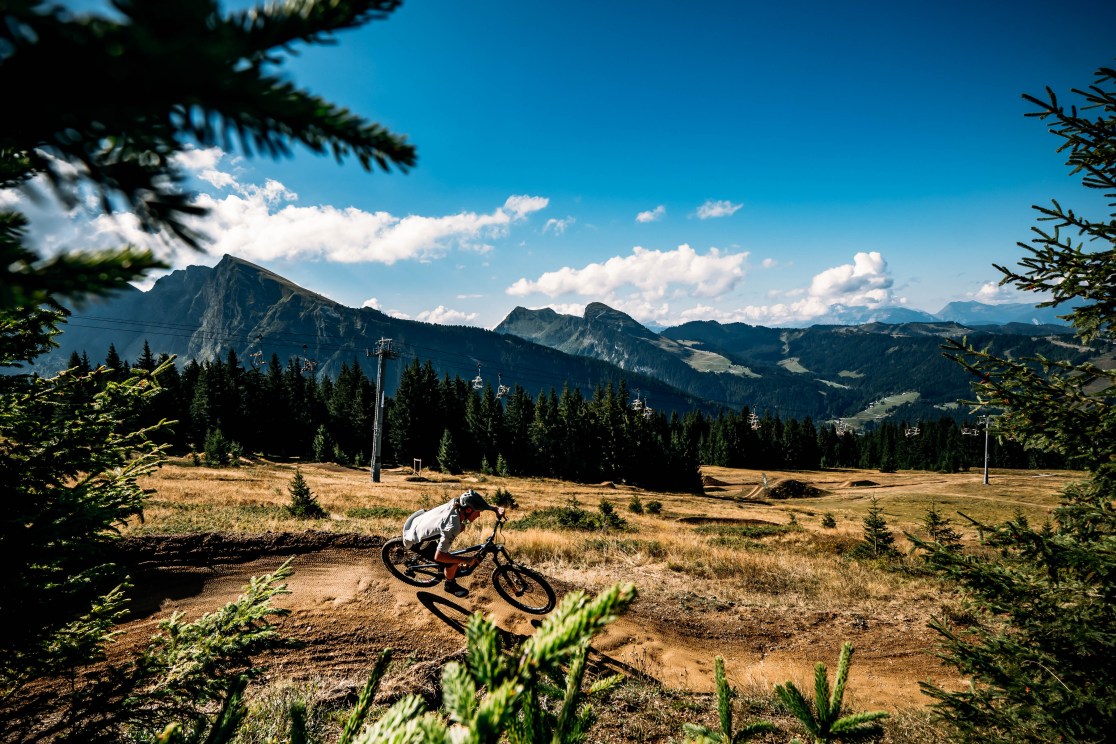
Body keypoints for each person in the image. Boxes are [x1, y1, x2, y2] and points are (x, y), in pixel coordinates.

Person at [402, 489, 506, 597]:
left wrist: (495, 509)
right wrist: (466, 560)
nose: (479, 515)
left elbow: (476, 503)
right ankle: (450, 584)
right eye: (478, 511)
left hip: (416, 522)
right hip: (416, 541)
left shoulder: (457, 502)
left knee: (461, 527)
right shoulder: (453, 526)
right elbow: (439, 556)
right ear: (469, 510)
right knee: (452, 562)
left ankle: (443, 546)